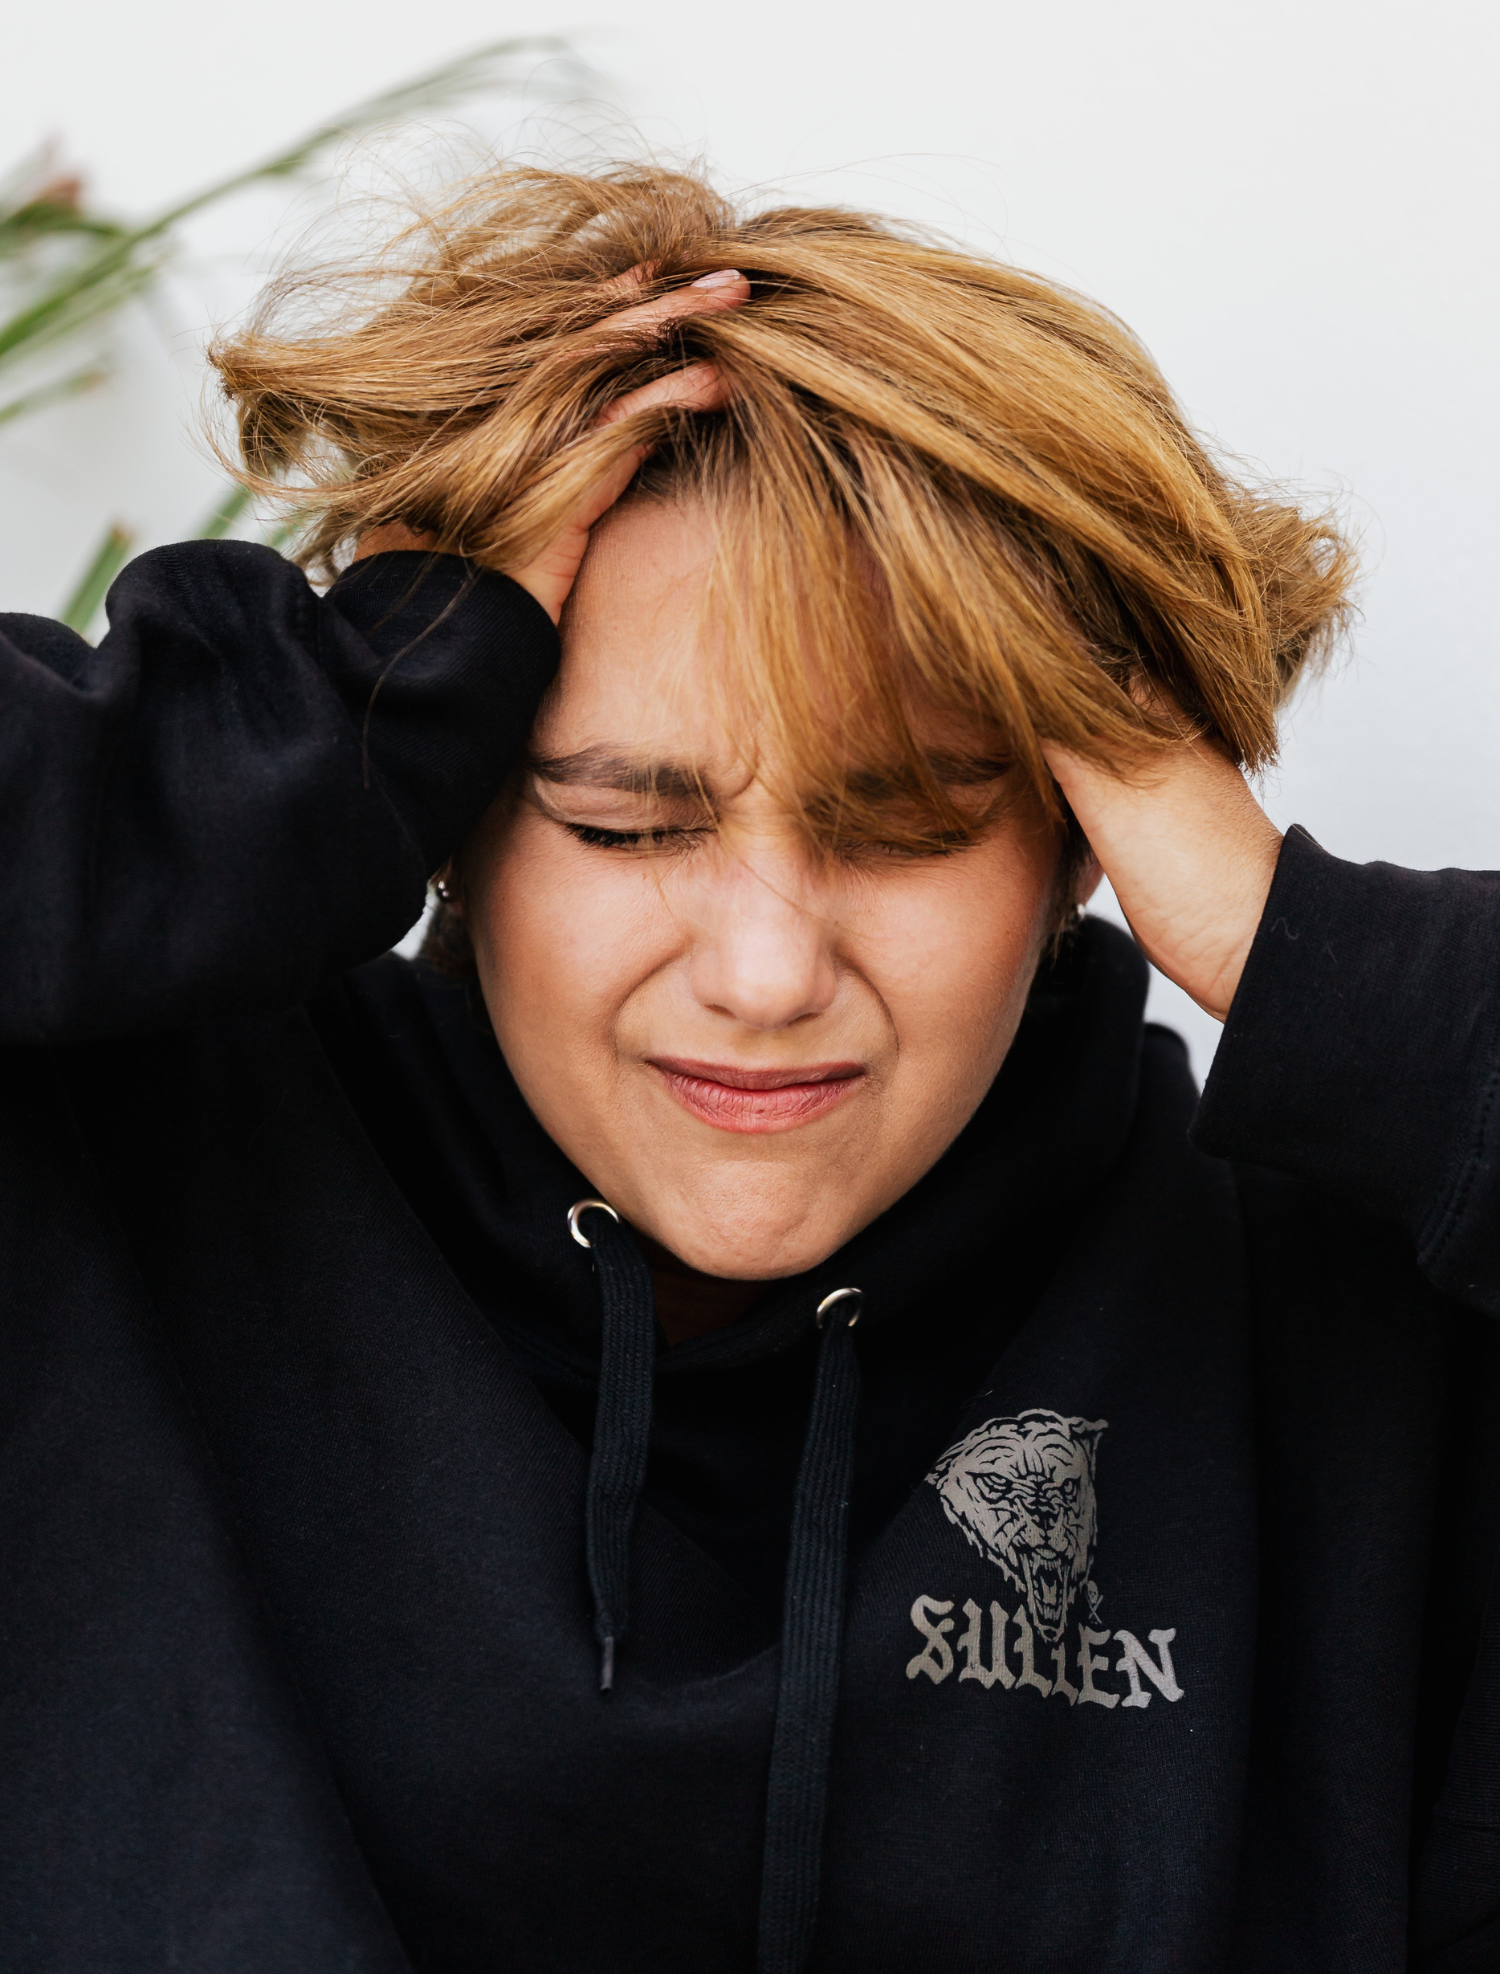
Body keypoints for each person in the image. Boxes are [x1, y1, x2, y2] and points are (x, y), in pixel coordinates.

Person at [0, 165, 1495, 1974]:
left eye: (915, 825)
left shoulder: (1346, 1329)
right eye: (628, 823)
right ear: (456, 811)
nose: (770, 973)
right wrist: (308, 725)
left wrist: (1303, 952)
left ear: (1088, 842)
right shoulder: (118, 1202)